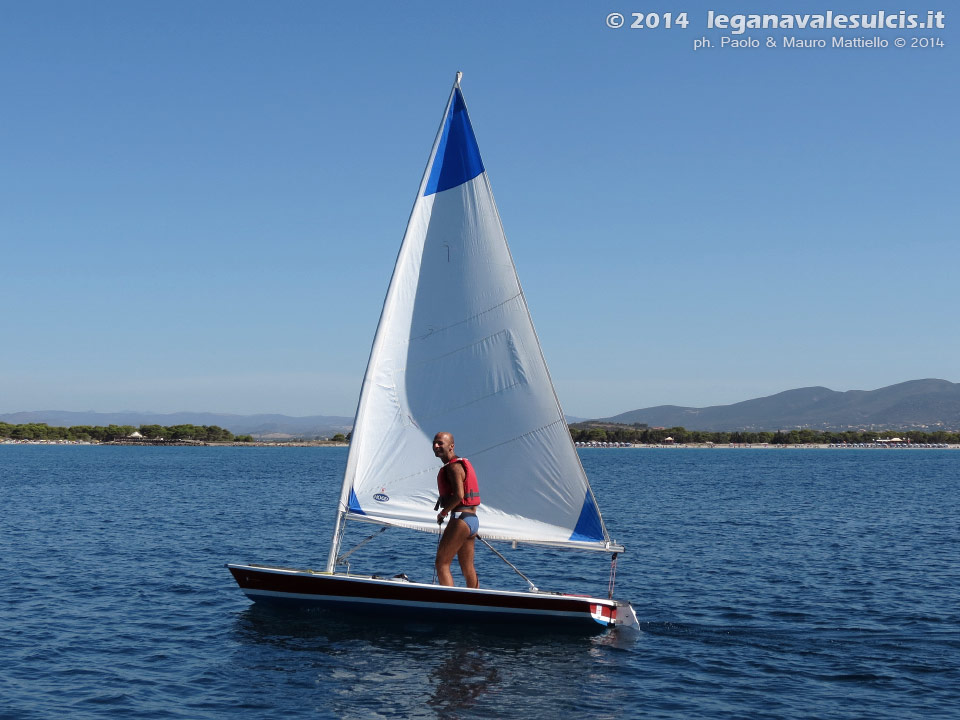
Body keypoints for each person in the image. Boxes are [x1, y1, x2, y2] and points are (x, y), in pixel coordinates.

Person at [432, 431, 481, 588]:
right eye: (434, 443)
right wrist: (443, 500)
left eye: (440, 443)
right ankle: (475, 603)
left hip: (460, 519)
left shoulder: (453, 467)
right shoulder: (457, 465)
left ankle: (448, 602)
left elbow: (459, 496)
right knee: (467, 567)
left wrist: (443, 513)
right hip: (472, 521)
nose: (435, 446)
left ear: (451, 446)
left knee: (442, 563)